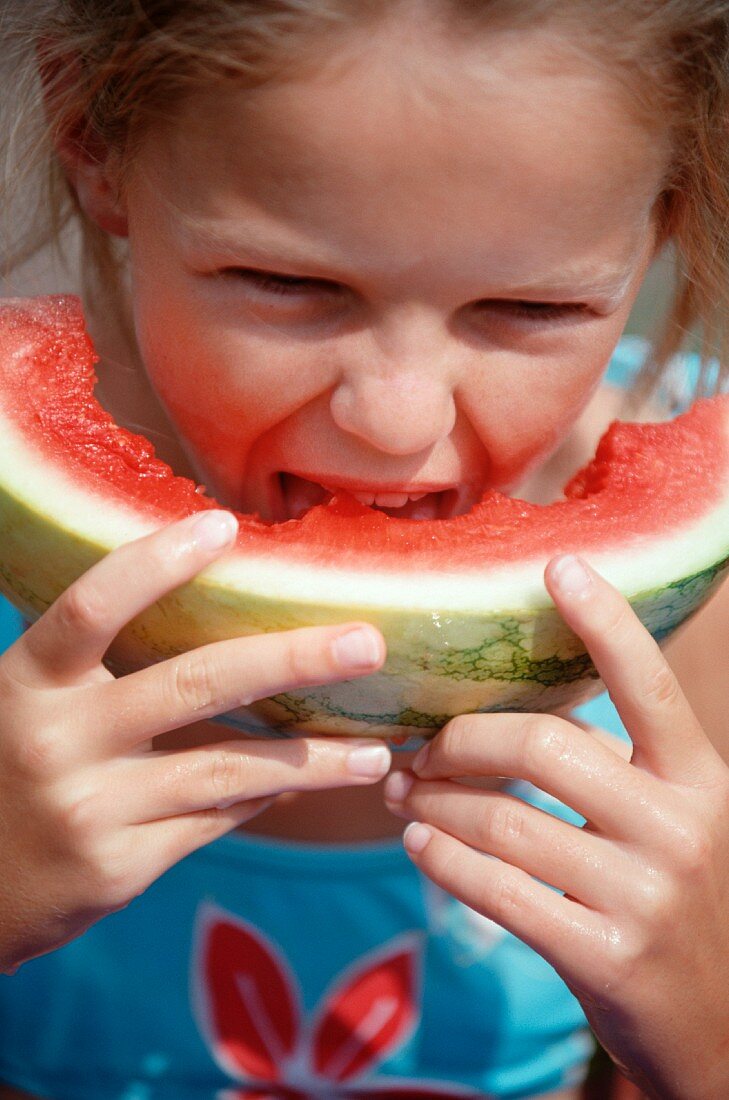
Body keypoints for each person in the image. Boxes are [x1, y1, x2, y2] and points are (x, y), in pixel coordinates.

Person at [0, 1, 728, 1097]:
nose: (396, 416)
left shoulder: (703, 596)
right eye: (287, 286)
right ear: (96, 133)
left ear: (667, 209)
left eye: (531, 307)